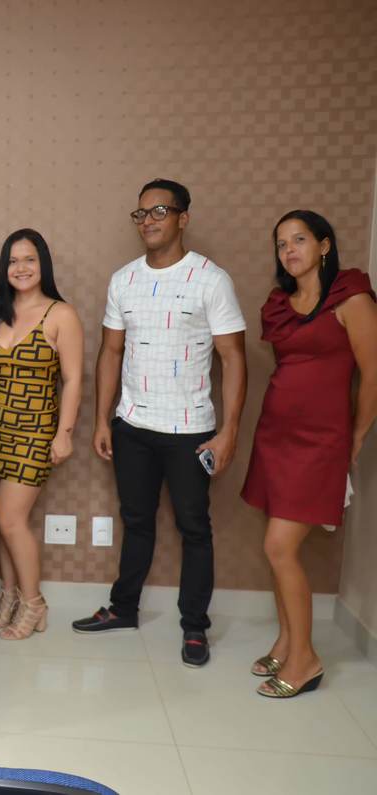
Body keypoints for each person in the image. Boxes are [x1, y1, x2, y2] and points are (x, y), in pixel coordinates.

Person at [73, 179, 247, 669]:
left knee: (194, 527)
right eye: (141, 213)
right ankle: (123, 608)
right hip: (132, 425)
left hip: (191, 431)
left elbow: (234, 358)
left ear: (183, 218)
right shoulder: (123, 280)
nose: (148, 220)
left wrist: (230, 431)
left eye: (160, 211)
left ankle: (194, 626)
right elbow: (111, 351)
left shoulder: (212, 280)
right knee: (136, 521)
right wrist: (104, 419)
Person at [240, 210, 377, 698]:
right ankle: (286, 641)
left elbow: (372, 374)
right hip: (275, 435)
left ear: (324, 245)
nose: (289, 250)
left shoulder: (351, 298)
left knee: (280, 547)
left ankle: (306, 660)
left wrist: (356, 435)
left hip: (320, 441)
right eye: (281, 244)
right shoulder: (281, 303)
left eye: (299, 240)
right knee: (278, 548)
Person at [0, 229, 83, 640]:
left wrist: (65, 433)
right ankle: (9, 596)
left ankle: (35, 603)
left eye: (29, 259)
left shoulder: (61, 314)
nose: (20, 268)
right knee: (1, 523)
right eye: (13, 261)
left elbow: (73, 380)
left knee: (11, 519)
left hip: (35, 430)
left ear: (43, 265)